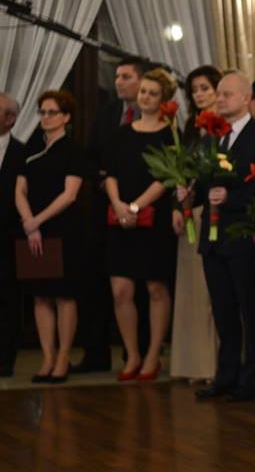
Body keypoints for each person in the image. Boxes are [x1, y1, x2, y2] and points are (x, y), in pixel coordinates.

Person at [195, 73, 255, 401]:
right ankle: (225, 376)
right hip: (213, 238)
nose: (220, 99)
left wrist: (232, 198)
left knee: (250, 310)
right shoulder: (211, 138)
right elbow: (204, 183)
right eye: (219, 94)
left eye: (227, 94)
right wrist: (188, 192)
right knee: (223, 311)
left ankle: (252, 378)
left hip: (243, 236)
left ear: (246, 98)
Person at [105, 68, 179, 382]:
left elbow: (167, 177)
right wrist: (119, 205)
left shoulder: (170, 134)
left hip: (154, 218)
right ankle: (132, 353)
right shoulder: (122, 133)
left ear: (164, 99)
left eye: (153, 93)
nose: (146, 97)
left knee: (155, 288)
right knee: (121, 290)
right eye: (144, 91)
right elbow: (110, 174)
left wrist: (136, 206)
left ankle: (152, 354)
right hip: (120, 217)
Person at [79, 56, 149, 373]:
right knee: (98, 281)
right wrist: (107, 186)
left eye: (126, 76)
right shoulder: (107, 113)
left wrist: (133, 201)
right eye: (117, 76)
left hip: (144, 210)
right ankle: (96, 354)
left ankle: (138, 352)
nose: (118, 82)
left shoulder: (157, 116)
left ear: (142, 81)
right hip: (103, 208)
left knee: (141, 285)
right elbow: (90, 158)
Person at [15, 91, 86, 383]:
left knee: (64, 296)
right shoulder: (31, 148)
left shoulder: (73, 150)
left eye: (52, 112)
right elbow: (19, 190)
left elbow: (69, 195)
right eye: (42, 112)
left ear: (66, 117)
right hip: (34, 231)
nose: (45, 117)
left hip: (63, 229)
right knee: (40, 295)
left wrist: (38, 220)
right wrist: (29, 223)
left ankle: (63, 358)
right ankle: (47, 357)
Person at [169, 65, 221, 383]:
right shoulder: (190, 125)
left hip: (213, 211)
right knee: (191, 290)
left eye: (205, 88)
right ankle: (192, 364)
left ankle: (212, 365)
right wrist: (178, 204)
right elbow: (182, 170)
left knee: (210, 292)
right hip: (191, 212)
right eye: (195, 89)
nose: (199, 94)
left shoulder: (223, 125)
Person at [0, 93, 25, 376]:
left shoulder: (23, 153)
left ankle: (6, 360)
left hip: (8, 237)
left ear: (9, 119)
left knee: (7, 299)